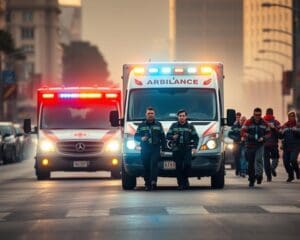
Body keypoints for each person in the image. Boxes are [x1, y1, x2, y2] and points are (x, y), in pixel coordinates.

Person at [134, 107, 166, 191]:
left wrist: (163, 149)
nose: (150, 115)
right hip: (145, 148)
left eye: (152, 113)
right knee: (146, 166)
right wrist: (141, 139)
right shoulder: (141, 125)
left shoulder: (158, 124)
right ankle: (147, 184)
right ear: (146, 115)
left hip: (155, 148)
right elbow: (135, 137)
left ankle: (153, 182)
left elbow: (163, 137)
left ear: (154, 115)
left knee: (154, 165)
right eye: (149, 113)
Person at [167, 109, 199, 190]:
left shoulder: (190, 126)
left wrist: (195, 147)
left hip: (187, 149)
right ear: (178, 117)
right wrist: (172, 137)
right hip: (176, 149)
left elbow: (196, 138)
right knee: (178, 167)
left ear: (186, 117)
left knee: (188, 165)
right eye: (180, 116)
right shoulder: (173, 126)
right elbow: (167, 136)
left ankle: (185, 179)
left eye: (183, 116)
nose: (182, 117)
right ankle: (181, 184)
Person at [241, 108, 270, 187]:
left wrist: (263, 138)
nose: (257, 116)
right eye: (256, 115)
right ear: (253, 114)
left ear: (261, 115)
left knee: (258, 159)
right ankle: (251, 179)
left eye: (259, 115)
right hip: (250, 145)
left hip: (260, 145)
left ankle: (259, 176)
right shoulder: (248, 122)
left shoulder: (264, 123)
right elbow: (242, 131)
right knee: (250, 163)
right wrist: (250, 136)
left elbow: (268, 133)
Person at [279, 111, 300, 182]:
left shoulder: (298, 125)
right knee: (286, 162)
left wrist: (296, 131)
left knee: (293, 160)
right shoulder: (285, 125)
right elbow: (280, 136)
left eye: (293, 116)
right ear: (288, 117)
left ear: (295, 117)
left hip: (295, 146)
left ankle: (297, 171)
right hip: (286, 146)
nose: (292, 117)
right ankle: (291, 175)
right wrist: (280, 132)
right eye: (290, 116)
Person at [263, 108, 281, 182]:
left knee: (266, 161)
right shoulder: (276, 122)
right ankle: (272, 170)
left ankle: (269, 176)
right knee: (275, 159)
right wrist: (274, 128)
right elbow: (280, 134)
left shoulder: (262, 122)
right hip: (272, 144)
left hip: (266, 144)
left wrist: (273, 128)